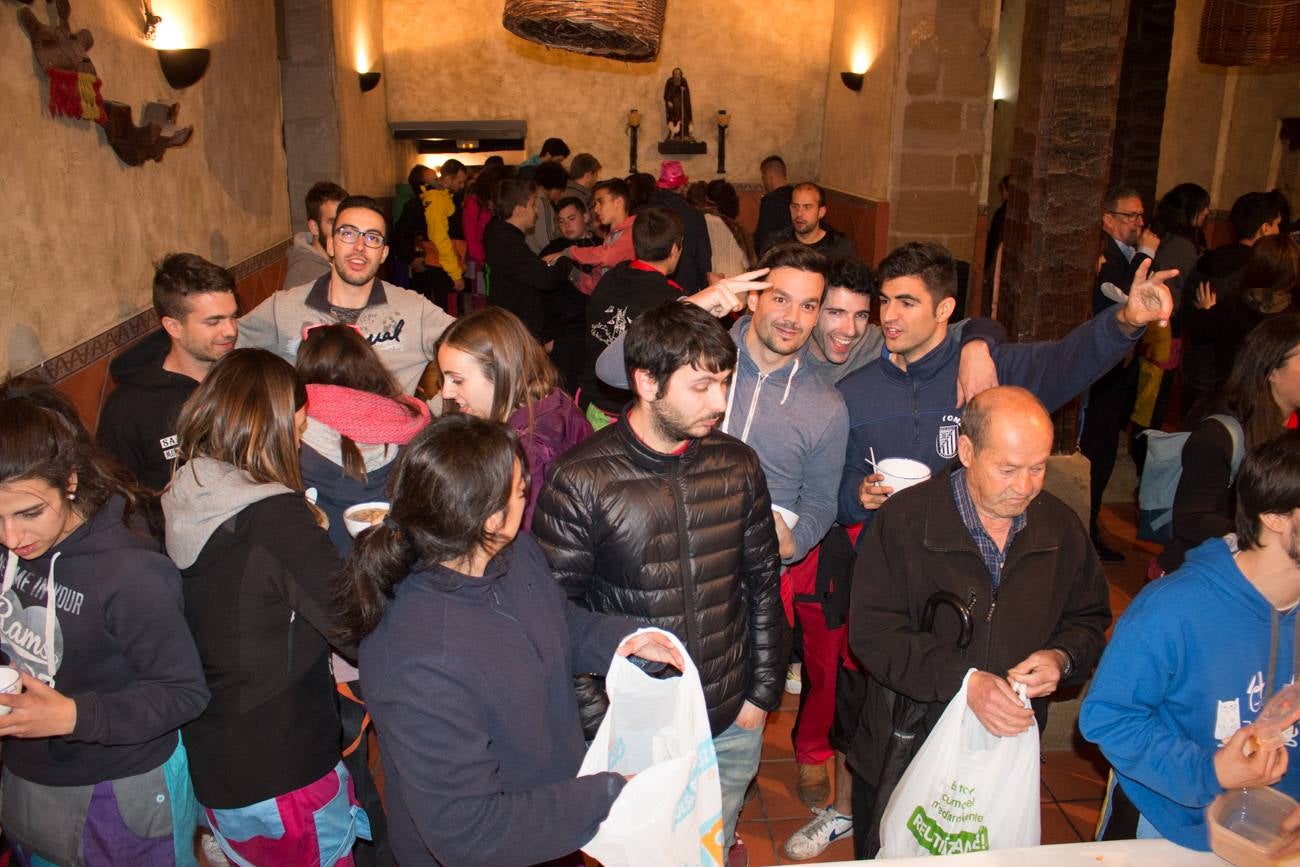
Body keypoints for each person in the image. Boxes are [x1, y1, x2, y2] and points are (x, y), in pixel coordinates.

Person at [336, 414, 682, 866]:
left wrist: (623, 643)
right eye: (522, 491)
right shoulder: (420, 658)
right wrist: (611, 793)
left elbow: (559, 621)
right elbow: (469, 832)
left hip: (550, 819)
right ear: (486, 514)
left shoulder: (513, 552)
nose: (528, 499)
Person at [533, 302, 785, 867]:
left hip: (731, 718)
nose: (719, 403)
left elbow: (763, 585)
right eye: (700, 387)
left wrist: (760, 696)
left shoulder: (738, 464)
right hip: (638, 731)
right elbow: (556, 619)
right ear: (646, 381)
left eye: (724, 383)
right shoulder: (582, 480)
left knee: (707, 850)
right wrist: (608, 726)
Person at [847, 387, 1112, 858]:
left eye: (1038, 468)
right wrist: (964, 682)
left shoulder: (1060, 528)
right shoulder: (906, 521)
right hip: (905, 740)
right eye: (1008, 469)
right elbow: (873, 633)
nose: (1025, 486)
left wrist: (1063, 657)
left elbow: (1088, 618)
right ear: (967, 451)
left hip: (1001, 749)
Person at [162, 349, 368, 866]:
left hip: (216, 754)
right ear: (269, 428)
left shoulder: (187, 487)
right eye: (295, 432)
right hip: (284, 764)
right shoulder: (274, 518)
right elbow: (356, 628)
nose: (297, 445)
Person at [0, 379, 209, 866]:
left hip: (121, 788)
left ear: (69, 481)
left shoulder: (130, 572)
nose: (11, 537)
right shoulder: (11, 544)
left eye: (30, 512)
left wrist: (71, 716)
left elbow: (183, 693)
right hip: (31, 782)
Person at [838, 241, 1175, 534]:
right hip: (889, 562)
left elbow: (1067, 362)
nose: (889, 316)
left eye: (906, 303)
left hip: (975, 560)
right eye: (884, 301)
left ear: (944, 309)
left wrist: (1125, 320)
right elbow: (843, 484)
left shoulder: (992, 372)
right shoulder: (855, 390)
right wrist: (858, 495)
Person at [1081, 431, 1300, 850]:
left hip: (1278, 832)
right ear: (1274, 516)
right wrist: (1210, 771)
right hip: (1171, 827)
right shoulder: (1173, 608)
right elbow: (1107, 717)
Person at [295, 324, 429, 867]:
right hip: (406, 606)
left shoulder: (295, 440)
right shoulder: (412, 427)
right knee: (413, 748)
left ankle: (374, 850)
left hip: (338, 625)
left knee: (348, 750)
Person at [238, 194, 456, 396]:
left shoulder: (414, 311)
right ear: (331, 245)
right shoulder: (282, 309)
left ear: (384, 254)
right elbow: (223, 349)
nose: (359, 247)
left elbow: (476, 351)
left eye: (372, 238)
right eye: (348, 234)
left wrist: (431, 419)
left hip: (385, 436)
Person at [1156, 313, 1300, 574]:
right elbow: (1190, 521)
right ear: (1272, 371)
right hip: (1211, 574)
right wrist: (1267, 531)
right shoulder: (1220, 435)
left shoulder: (1291, 428)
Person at [98, 253, 238, 497]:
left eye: (233, 316)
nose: (231, 331)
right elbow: (118, 499)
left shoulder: (242, 375)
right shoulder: (128, 409)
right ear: (173, 326)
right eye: (214, 321)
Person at [437, 307, 592, 528]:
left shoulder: (528, 453)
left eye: (457, 380)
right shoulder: (552, 401)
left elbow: (512, 538)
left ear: (502, 373)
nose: (446, 393)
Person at [296, 324, 431, 552]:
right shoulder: (411, 424)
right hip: (393, 564)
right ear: (369, 365)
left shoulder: (291, 437)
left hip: (319, 565)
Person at [1082, 185, 1161, 561]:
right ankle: (1088, 531)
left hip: (1121, 369)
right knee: (1097, 449)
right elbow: (1124, 297)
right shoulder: (1104, 255)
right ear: (1108, 218)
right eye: (1130, 216)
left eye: (1141, 216)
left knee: (1108, 450)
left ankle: (1092, 525)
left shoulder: (1124, 255)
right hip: (1101, 371)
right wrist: (1146, 254)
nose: (1139, 223)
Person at [578, 207, 685, 425]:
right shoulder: (672, 299)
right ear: (675, 248)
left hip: (588, 401)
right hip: (627, 416)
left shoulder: (610, 277)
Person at [1182, 191, 1286, 410]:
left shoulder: (1208, 258)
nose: (1278, 232)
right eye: (1276, 225)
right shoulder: (1256, 273)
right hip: (1228, 379)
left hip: (1193, 368)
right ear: (1264, 229)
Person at [1188, 234, 1300, 394]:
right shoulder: (1293, 317)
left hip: (1228, 393)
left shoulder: (1235, 302)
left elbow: (1199, 333)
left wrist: (1207, 311)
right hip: (1267, 400)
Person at [483, 179, 570, 345]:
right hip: (515, 329)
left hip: (508, 322)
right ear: (519, 210)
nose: (536, 211)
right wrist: (565, 258)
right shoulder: (508, 242)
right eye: (532, 205)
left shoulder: (497, 231)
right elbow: (547, 279)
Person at [649, 160, 713, 293]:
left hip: (651, 284)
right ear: (683, 186)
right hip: (686, 285)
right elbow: (703, 258)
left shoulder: (646, 212)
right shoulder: (694, 215)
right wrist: (705, 289)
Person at [759, 183, 855, 260]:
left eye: (807, 207)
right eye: (795, 206)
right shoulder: (776, 242)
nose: (799, 213)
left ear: (821, 212)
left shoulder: (837, 247)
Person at [419, 160, 468, 306]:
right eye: (459, 182)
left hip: (446, 265)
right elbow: (440, 238)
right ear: (447, 179)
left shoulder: (444, 197)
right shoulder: (436, 200)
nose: (462, 186)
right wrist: (455, 274)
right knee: (449, 317)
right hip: (443, 268)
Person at [286, 181, 348, 290]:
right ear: (314, 227)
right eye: (333, 222)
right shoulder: (306, 278)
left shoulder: (336, 260)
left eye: (346, 221)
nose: (343, 230)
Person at [462, 163, 512, 290]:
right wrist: (484, 261)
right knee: (481, 299)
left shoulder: (495, 203)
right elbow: (471, 239)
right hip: (480, 262)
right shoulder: (474, 204)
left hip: (494, 260)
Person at [755, 155, 794, 254]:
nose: (763, 181)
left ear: (768, 176)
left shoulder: (770, 201)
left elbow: (762, 239)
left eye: (763, 177)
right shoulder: (797, 195)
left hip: (778, 256)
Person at [527, 160, 567, 255]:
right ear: (555, 187)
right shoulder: (544, 204)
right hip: (539, 255)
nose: (562, 194)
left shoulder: (531, 197)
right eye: (561, 190)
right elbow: (547, 241)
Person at [663, 67, 692, 139]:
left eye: (678, 73)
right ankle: (674, 135)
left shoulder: (683, 81)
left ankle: (684, 134)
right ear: (673, 74)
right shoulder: (670, 81)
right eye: (675, 74)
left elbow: (687, 94)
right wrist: (668, 100)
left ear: (681, 74)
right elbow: (666, 93)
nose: (677, 75)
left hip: (682, 104)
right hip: (673, 105)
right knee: (674, 118)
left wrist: (684, 90)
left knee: (683, 117)